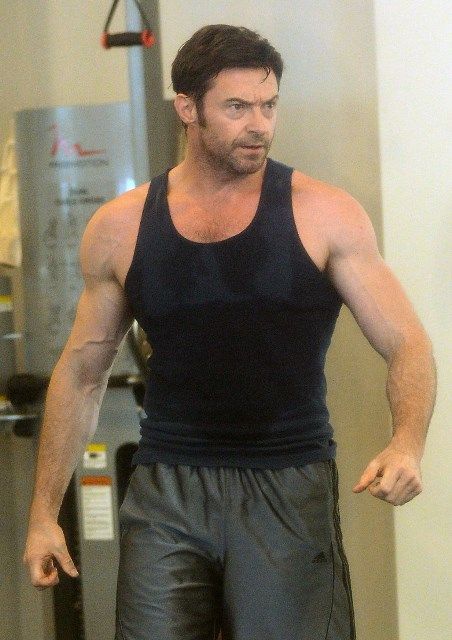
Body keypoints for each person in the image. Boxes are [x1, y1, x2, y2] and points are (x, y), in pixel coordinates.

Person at [24, 24, 436, 640]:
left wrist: (406, 443)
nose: (260, 125)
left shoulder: (325, 213)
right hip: (167, 486)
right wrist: (43, 514)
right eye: (238, 107)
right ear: (188, 108)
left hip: (287, 482)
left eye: (269, 106)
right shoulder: (121, 226)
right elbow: (82, 375)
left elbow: (408, 343)